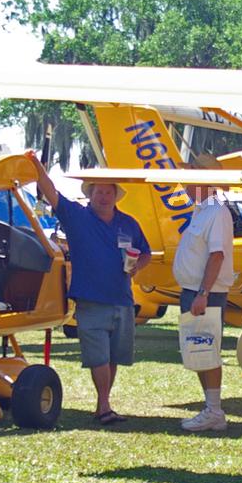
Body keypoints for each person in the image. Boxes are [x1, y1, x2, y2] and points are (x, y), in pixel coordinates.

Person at [35, 172, 151, 426]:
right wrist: (36, 168)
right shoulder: (77, 217)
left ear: (115, 195)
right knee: (98, 355)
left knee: (113, 356)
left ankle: (103, 404)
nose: (104, 196)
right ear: (90, 195)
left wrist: (137, 266)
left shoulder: (128, 223)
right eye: (99, 192)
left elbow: (146, 252)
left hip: (122, 299)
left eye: (108, 192)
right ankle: (104, 405)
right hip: (90, 299)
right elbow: (51, 192)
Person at [173, 175, 234, 433]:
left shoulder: (216, 212)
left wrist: (203, 293)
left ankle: (214, 410)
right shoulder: (204, 210)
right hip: (196, 292)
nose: (185, 185)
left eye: (191, 180)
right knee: (198, 349)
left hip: (203, 293)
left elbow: (217, 255)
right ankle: (211, 408)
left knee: (205, 348)